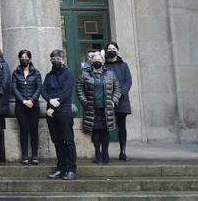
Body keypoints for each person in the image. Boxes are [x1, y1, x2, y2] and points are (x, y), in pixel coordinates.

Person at [77, 51, 122, 164]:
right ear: (91, 62)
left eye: (99, 60)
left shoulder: (110, 74)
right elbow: (79, 88)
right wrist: (84, 102)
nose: (97, 61)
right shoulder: (84, 74)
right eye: (95, 60)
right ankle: (97, 153)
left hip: (106, 108)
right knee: (95, 131)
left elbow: (117, 88)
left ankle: (105, 153)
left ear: (102, 61)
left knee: (105, 131)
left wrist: (114, 101)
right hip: (92, 107)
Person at [42, 49, 77, 181]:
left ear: (63, 59)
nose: (55, 61)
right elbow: (43, 90)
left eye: (58, 58)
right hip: (51, 114)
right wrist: (49, 101)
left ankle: (72, 169)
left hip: (64, 111)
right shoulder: (49, 75)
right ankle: (61, 168)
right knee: (57, 142)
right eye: (53, 59)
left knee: (68, 141)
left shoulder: (68, 74)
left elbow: (66, 92)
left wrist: (54, 104)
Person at [12, 49, 42, 165]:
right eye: (22, 57)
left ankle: (34, 155)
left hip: (34, 106)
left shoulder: (36, 73)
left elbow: (39, 87)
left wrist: (32, 100)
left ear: (30, 58)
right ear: (19, 58)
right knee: (23, 130)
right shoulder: (15, 73)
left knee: (34, 130)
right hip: (21, 106)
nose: (24, 59)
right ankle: (24, 155)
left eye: (26, 57)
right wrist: (24, 101)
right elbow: (14, 88)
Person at [105, 41, 132, 161]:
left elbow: (128, 81)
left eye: (114, 48)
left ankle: (123, 151)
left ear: (117, 50)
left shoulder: (124, 65)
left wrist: (120, 94)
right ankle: (104, 152)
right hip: (107, 100)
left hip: (122, 101)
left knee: (122, 127)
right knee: (105, 127)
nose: (112, 50)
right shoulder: (104, 65)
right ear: (106, 51)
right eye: (109, 48)